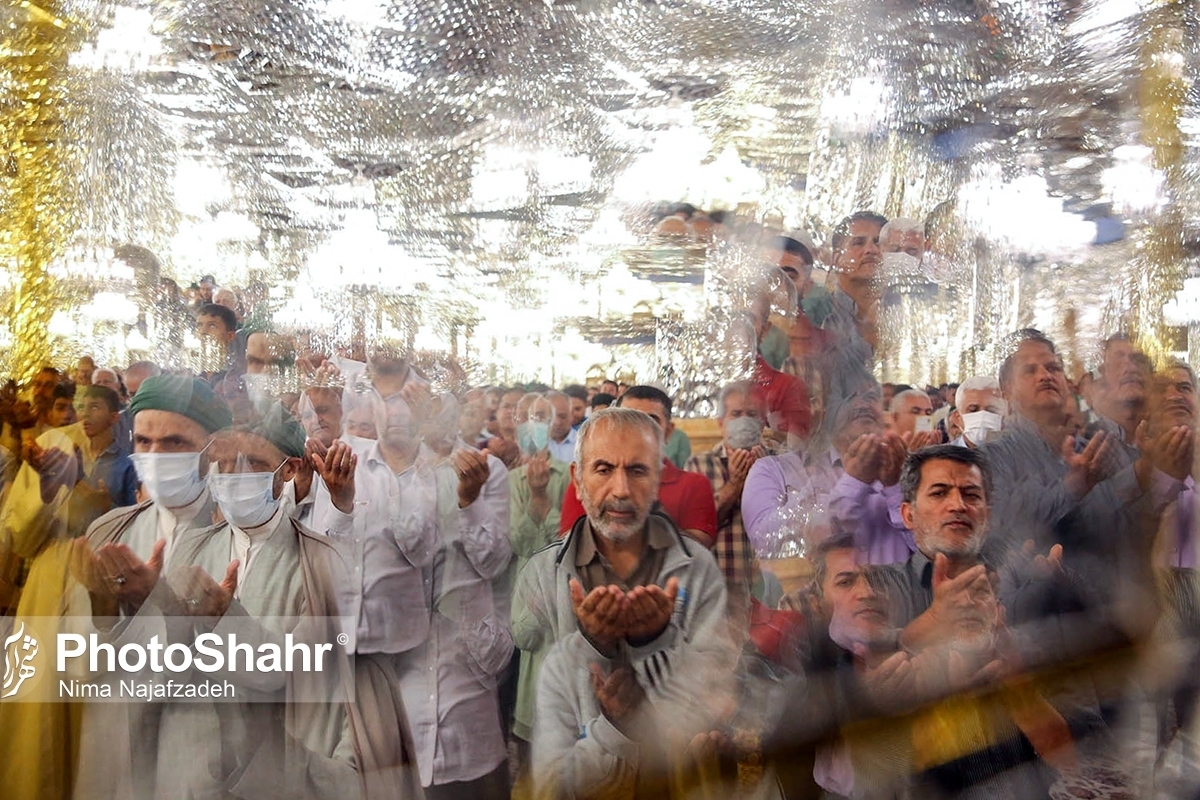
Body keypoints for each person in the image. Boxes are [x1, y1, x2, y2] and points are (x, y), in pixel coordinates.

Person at [519, 408, 733, 798]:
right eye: (602, 469)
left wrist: (653, 643)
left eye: (637, 471)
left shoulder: (696, 569)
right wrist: (593, 649)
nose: (620, 489)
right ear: (577, 480)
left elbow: (715, 691)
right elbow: (553, 772)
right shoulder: (543, 573)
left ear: (656, 481)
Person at [556, 385, 717, 548]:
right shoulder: (589, 481)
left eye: (651, 420)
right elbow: (570, 546)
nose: (638, 430)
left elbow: (697, 550)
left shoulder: (694, 485)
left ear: (668, 432)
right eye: (626, 419)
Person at [684, 381, 768, 615]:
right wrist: (735, 484)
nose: (744, 420)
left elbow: (787, 524)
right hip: (717, 587)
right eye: (736, 414)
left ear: (763, 423)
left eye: (752, 414)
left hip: (767, 588)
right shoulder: (699, 464)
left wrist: (762, 478)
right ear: (721, 423)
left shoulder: (777, 463)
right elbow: (697, 529)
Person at [949, 376, 1006, 448]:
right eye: (973, 410)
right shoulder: (941, 458)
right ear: (957, 418)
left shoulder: (1019, 456)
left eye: (991, 410)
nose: (983, 417)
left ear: (1004, 416)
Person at [544, 390, 576, 464]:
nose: (557, 422)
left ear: (571, 415)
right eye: (551, 416)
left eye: (563, 416)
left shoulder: (584, 444)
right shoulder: (536, 445)